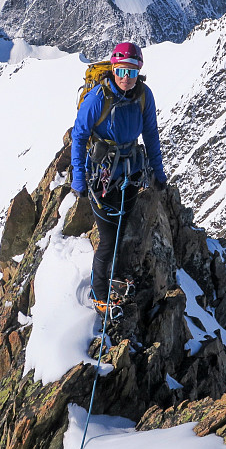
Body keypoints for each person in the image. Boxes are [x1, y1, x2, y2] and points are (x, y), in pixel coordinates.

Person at [70, 41, 167, 321]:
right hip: (101, 174)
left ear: (139, 72)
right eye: (121, 71)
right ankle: (98, 293)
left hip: (130, 172)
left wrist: (158, 173)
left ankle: (114, 277)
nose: (126, 78)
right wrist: (79, 178)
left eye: (132, 72)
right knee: (110, 237)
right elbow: (78, 137)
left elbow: (151, 135)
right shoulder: (98, 99)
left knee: (123, 226)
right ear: (113, 69)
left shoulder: (144, 97)